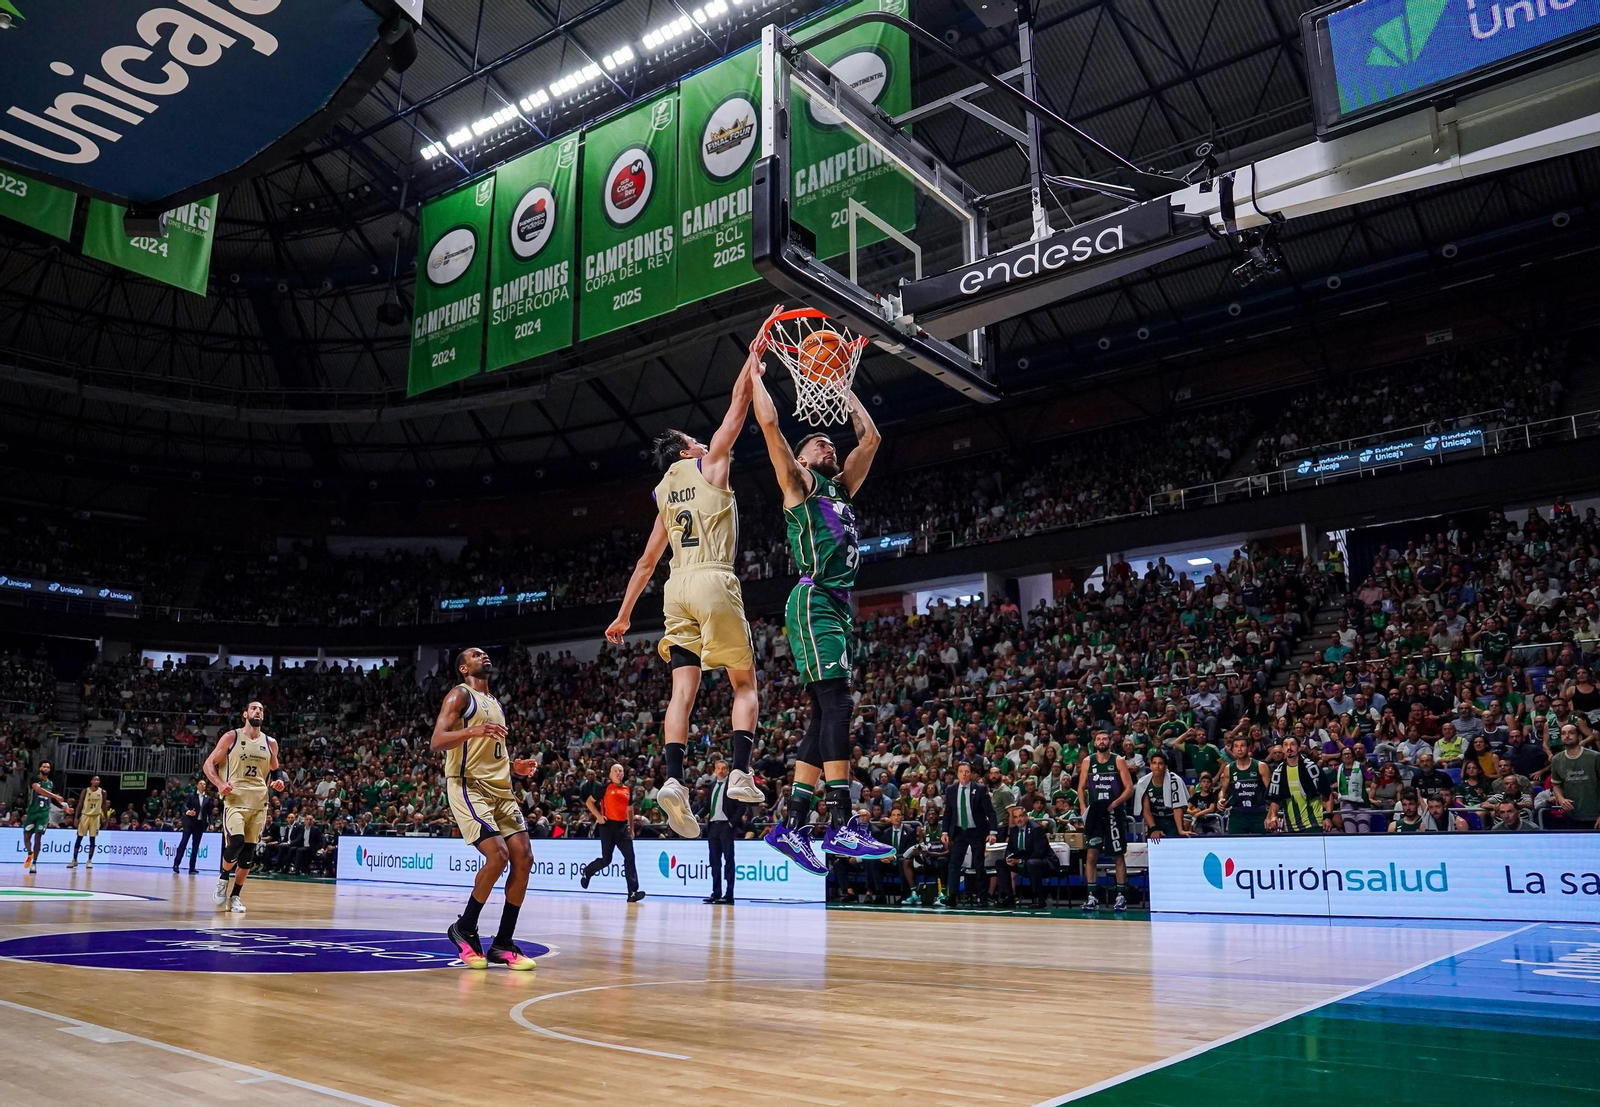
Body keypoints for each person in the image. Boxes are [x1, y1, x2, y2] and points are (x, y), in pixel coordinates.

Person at [605, 318, 781, 837]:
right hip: (711, 580)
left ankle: (675, 780)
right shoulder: (709, 465)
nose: (703, 441)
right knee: (744, 683)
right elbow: (738, 408)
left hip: (673, 590)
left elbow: (644, 562)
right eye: (694, 439)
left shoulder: (663, 491)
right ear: (687, 451)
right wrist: (753, 361)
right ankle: (743, 773)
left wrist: (622, 615)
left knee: (682, 691)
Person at [749, 344, 893, 873]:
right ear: (803, 458)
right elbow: (769, 427)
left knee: (822, 714)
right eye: (816, 442)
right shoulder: (800, 485)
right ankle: (841, 821)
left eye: (828, 442)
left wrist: (842, 388)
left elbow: (872, 438)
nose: (825, 444)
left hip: (836, 605)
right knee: (837, 705)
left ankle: (794, 826)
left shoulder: (842, 489)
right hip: (812, 599)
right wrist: (754, 373)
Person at [431, 648, 538, 970]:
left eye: (486, 653)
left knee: (524, 858)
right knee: (499, 855)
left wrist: (513, 766)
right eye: (477, 655)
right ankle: (465, 928)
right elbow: (437, 741)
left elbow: (492, 750)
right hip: (468, 785)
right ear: (464, 668)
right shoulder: (459, 696)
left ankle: (503, 944)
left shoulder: (496, 704)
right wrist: (472, 731)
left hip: (501, 788)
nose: (485, 656)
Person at [202, 702, 286, 913]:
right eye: (254, 708)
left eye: (262, 709)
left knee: (248, 854)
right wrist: (220, 784)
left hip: (259, 804)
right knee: (236, 842)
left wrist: (279, 781)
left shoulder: (271, 743)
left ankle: (236, 896)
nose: (258, 711)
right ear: (245, 714)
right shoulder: (232, 737)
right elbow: (208, 764)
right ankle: (223, 877)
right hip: (235, 801)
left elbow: (276, 770)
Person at [1077, 730, 1134, 911]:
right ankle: (1092, 897)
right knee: (1091, 854)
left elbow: (1129, 788)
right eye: (1099, 739)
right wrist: (1083, 808)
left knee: (1117, 855)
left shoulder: (1118, 760)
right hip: (1095, 813)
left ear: (1110, 741)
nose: (1102, 741)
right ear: (1094, 743)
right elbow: (1080, 788)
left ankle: (1121, 897)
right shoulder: (1088, 761)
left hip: (1113, 812)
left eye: (1105, 738)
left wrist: (1115, 803)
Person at [580, 762, 645, 901]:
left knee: (630, 857)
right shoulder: (605, 788)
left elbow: (630, 809)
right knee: (606, 860)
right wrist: (598, 817)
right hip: (608, 827)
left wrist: (631, 828)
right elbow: (589, 802)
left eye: (620, 770)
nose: (618, 773)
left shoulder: (627, 789)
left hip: (622, 828)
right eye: (615, 771)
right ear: (610, 774)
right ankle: (588, 871)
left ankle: (632, 892)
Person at [940, 761, 997, 906]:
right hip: (959, 831)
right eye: (961, 771)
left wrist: (992, 832)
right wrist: (945, 831)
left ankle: (982, 898)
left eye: (966, 771)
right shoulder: (951, 790)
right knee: (954, 864)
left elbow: (990, 812)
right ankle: (952, 896)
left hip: (977, 831)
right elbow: (948, 813)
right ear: (957, 774)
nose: (964, 774)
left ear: (971, 774)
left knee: (978, 864)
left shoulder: (979, 789)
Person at [997, 804, 1058, 909]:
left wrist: (1020, 861)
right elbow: (1010, 849)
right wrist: (1009, 858)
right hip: (1025, 861)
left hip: (1045, 862)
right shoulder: (1014, 830)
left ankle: (1039, 898)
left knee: (1032, 863)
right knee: (1001, 863)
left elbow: (1039, 852)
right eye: (1015, 817)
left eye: (1021, 816)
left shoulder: (1036, 829)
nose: (1018, 819)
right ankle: (1008, 896)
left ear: (1026, 816)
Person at [1266, 735, 1331, 833]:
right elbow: (1275, 798)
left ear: (1299, 748)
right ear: (1282, 749)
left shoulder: (1312, 768)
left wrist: (1328, 817)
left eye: (1292, 744)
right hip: (1290, 825)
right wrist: (1273, 816)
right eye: (1285, 745)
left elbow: (1327, 793)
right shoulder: (1278, 772)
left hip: (1313, 822)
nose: (1289, 748)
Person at [701, 759, 743, 904]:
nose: (720, 771)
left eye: (723, 768)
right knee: (714, 861)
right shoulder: (712, 786)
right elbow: (707, 805)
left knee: (729, 860)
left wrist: (732, 823)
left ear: (728, 770)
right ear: (714, 770)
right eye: (718, 768)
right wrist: (697, 815)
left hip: (726, 826)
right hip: (713, 826)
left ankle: (729, 894)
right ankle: (716, 892)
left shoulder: (732, 787)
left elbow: (741, 807)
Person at [1549, 722, 1600, 830]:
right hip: (1571, 815)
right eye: (1563, 733)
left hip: (1594, 814)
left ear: (1579, 736)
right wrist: (1561, 799)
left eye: (1571, 733)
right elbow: (1556, 785)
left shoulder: (1594, 757)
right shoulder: (1557, 759)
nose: (1567, 736)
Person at [867, 807, 920, 904]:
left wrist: (894, 857)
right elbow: (882, 849)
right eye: (894, 815)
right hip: (889, 862)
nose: (896, 817)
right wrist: (882, 857)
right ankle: (880, 895)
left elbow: (909, 852)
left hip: (902, 862)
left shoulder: (910, 832)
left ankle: (904, 894)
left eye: (898, 815)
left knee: (902, 861)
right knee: (873, 861)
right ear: (890, 818)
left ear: (902, 818)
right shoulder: (886, 832)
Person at [1218, 735, 1269, 834]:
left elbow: (1271, 792)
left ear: (1248, 748)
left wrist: (1271, 813)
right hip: (1238, 814)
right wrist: (1220, 799)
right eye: (1236, 746)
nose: (1239, 749)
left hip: (1258, 813)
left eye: (1242, 746)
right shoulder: (1229, 768)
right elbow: (1223, 791)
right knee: (1235, 846)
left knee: (1261, 846)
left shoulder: (1260, 766)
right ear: (1232, 749)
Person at [1135, 750, 1190, 840]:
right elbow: (1146, 810)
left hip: (1171, 819)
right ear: (1150, 766)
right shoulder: (1143, 783)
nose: (1157, 766)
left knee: (1173, 846)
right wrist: (1153, 828)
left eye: (1160, 763)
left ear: (1165, 767)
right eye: (1154, 763)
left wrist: (1180, 829)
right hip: (1155, 819)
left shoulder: (1175, 780)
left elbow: (1177, 806)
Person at [23, 761, 67, 873]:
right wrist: (55, 795)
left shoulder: (51, 784)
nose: (46, 768)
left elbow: (52, 800)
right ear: (39, 768)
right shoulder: (34, 779)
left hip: (43, 814)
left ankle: (34, 863)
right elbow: (38, 789)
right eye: (44, 766)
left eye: (48, 767)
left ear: (50, 770)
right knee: (27, 837)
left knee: (38, 838)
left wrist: (64, 808)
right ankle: (29, 853)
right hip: (32, 812)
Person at [172, 778, 215, 874]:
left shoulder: (208, 799)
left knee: (195, 846)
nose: (202, 785)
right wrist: (188, 812)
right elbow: (184, 805)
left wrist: (211, 823)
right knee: (184, 843)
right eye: (201, 783)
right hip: (189, 823)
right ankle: (176, 864)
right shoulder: (191, 796)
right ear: (197, 785)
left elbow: (210, 813)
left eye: (204, 784)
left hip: (200, 825)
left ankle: (192, 867)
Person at [68, 774, 106, 869]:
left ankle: (89, 860)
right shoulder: (85, 791)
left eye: (98, 780)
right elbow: (80, 805)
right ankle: (74, 860)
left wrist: (105, 817)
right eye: (95, 780)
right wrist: (76, 818)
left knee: (92, 839)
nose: (96, 781)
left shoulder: (102, 792)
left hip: (95, 817)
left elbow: (104, 805)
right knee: (79, 838)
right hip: (85, 816)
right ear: (91, 781)